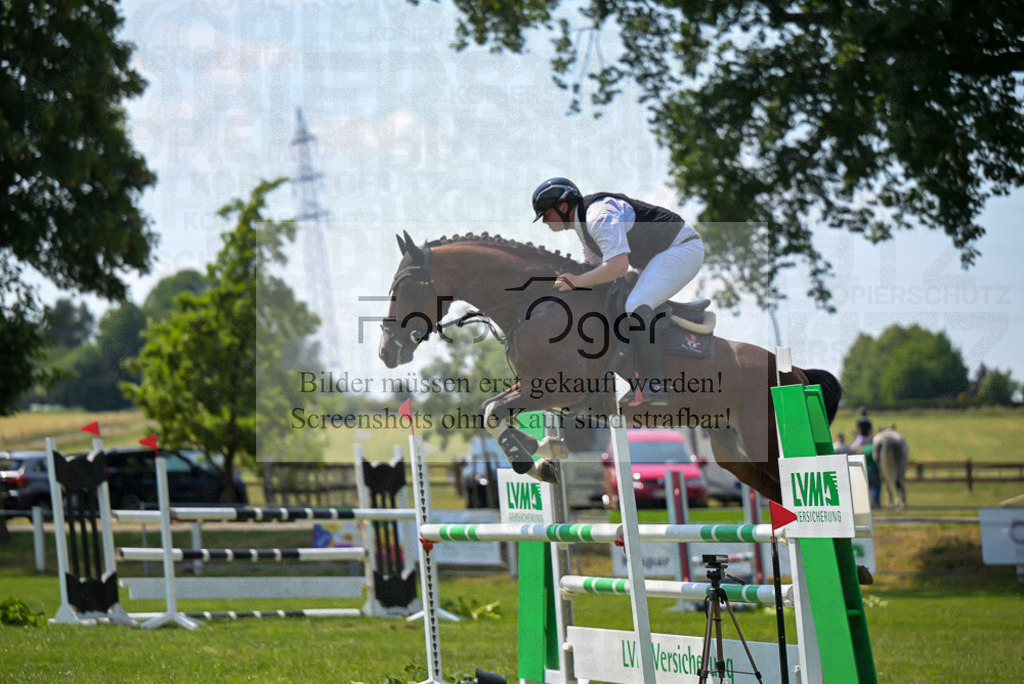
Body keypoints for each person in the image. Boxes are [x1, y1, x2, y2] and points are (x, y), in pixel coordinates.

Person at [531, 177, 705, 405]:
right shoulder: (583, 226)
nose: (544, 221)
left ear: (563, 207)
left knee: (635, 304)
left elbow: (617, 267)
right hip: (656, 258)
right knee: (617, 296)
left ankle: (656, 384)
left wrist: (577, 281)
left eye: (546, 214)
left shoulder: (598, 217)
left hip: (683, 249)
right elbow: (594, 267)